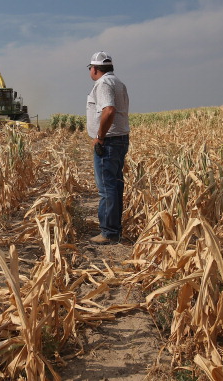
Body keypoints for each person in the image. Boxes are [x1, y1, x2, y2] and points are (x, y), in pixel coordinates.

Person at [86, 51, 130, 245]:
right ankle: (114, 229)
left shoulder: (103, 83)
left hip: (109, 141)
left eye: (90, 68)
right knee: (115, 184)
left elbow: (109, 110)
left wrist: (100, 137)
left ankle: (108, 232)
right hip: (120, 139)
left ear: (94, 69)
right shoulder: (118, 82)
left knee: (106, 187)